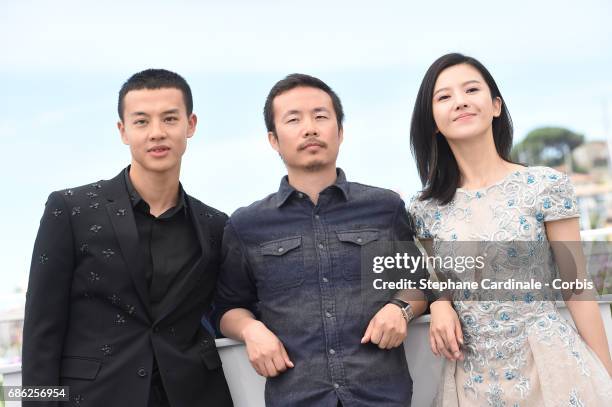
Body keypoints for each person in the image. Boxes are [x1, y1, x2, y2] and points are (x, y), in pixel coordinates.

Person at [214, 73, 435, 406]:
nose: (310, 128)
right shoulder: (247, 224)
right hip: (296, 396)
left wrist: (399, 309)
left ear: (340, 131)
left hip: (381, 395)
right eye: (293, 119)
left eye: (320, 116)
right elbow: (229, 308)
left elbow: (418, 285)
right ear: (273, 139)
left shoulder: (383, 208)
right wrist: (251, 330)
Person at [408, 53, 612, 406]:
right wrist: (440, 304)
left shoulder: (544, 185)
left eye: (471, 89)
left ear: (496, 106)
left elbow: (577, 286)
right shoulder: (423, 210)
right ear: (434, 123)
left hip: (552, 368)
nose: (460, 101)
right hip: (472, 378)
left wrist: (607, 377)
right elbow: (434, 281)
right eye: (444, 97)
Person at [22, 69, 233, 407]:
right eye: (141, 121)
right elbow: (40, 332)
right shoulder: (70, 209)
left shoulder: (215, 224)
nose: (157, 133)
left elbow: (230, 305)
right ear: (122, 131)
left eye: (169, 118)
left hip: (194, 395)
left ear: (190, 125)